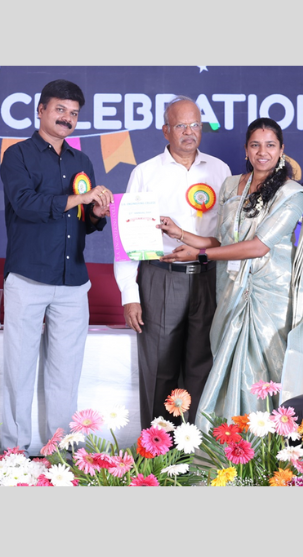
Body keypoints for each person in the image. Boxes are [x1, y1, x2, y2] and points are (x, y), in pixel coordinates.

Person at [159, 117, 303, 428]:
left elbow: (258, 247)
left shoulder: (292, 194)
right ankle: (232, 440)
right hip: (230, 288)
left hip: (269, 296)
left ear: (282, 150)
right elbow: (225, 242)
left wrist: (201, 254)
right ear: (246, 150)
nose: (263, 152)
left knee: (265, 373)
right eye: (255, 145)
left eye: (270, 145)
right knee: (229, 368)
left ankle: (271, 441)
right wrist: (181, 234)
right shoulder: (231, 184)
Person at [0, 79, 113, 454]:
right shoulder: (17, 155)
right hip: (28, 277)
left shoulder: (82, 162)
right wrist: (80, 197)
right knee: (19, 371)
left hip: (73, 281)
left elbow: (84, 222)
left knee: (66, 373)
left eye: (74, 113)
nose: (67, 118)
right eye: (60, 110)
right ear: (41, 110)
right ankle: (14, 453)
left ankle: (62, 454)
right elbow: (26, 204)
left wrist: (96, 213)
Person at [114, 96, 231, 429]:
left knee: (202, 367)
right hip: (161, 278)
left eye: (195, 125)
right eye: (181, 125)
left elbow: (230, 234)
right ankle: (158, 449)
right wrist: (130, 294)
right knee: (160, 369)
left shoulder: (220, 170)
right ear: (166, 130)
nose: (189, 132)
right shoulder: (145, 172)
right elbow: (126, 240)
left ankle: (198, 448)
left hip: (209, 277)